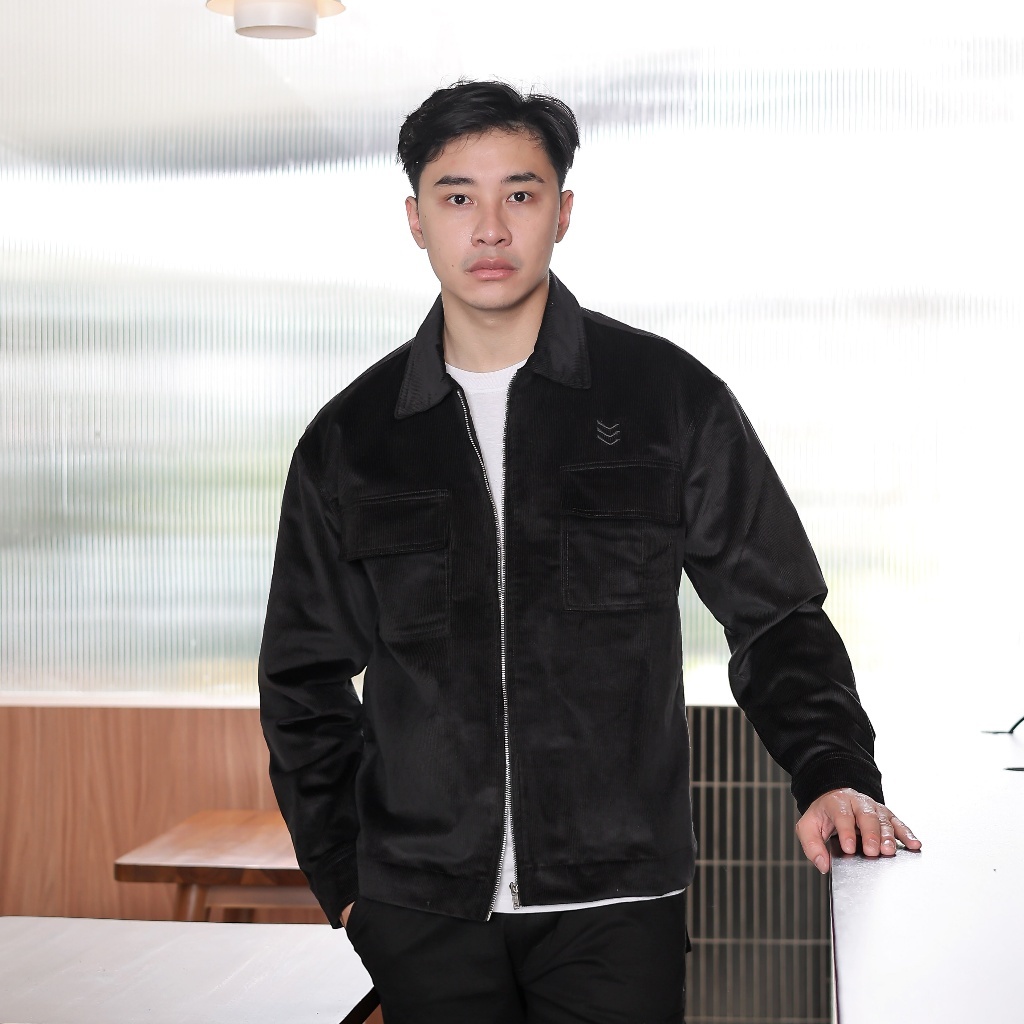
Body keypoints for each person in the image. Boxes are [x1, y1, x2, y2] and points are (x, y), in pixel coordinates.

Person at [258, 80, 920, 1024]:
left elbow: (776, 615)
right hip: (420, 912)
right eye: (458, 196)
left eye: (520, 194)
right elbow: (301, 678)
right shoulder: (352, 439)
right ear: (415, 220)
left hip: (618, 903)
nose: (490, 227)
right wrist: (349, 883)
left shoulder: (668, 400)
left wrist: (834, 769)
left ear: (562, 212)